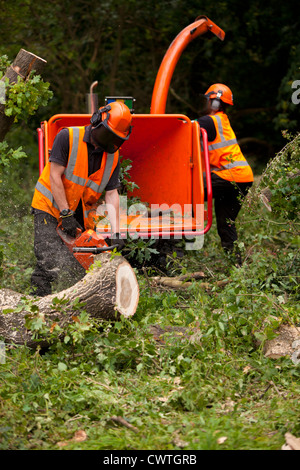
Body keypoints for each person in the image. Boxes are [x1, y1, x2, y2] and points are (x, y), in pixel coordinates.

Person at [30, 101, 132, 296]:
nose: (110, 142)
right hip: (49, 206)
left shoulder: (112, 156)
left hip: (80, 214)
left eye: (116, 139)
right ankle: (37, 303)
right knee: (48, 259)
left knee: (82, 264)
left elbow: (111, 194)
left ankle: (75, 306)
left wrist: (117, 232)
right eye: (107, 135)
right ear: (96, 121)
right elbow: (54, 176)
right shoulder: (67, 137)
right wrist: (65, 213)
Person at [196, 83, 253, 264]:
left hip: (230, 176)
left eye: (208, 100)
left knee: (187, 190)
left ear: (214, 103)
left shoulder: (209, 121)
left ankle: (176, 241)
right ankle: (237, 267)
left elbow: (180, 129)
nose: (206, 104)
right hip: (243, 178)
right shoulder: (222, 121)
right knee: (225, 224)